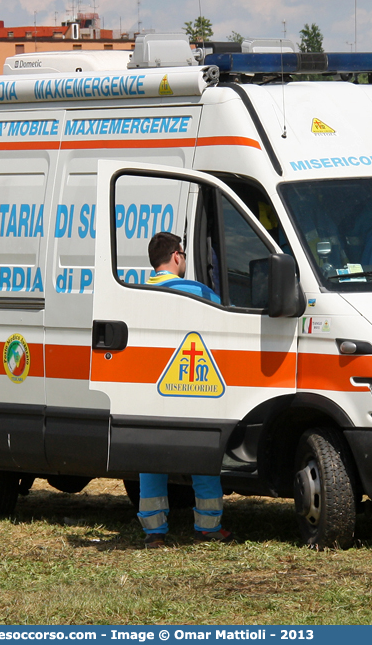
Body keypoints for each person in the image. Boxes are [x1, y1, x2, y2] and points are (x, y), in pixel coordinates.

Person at [138, 232, 232, 548]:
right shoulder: (197, 291)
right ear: (177, 256)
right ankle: (208, 528)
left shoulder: (135, 293)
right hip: (194, 388)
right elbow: (226, 328)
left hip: (150, 391)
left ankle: (154, 533)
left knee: (150, 462)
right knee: (203, 460)